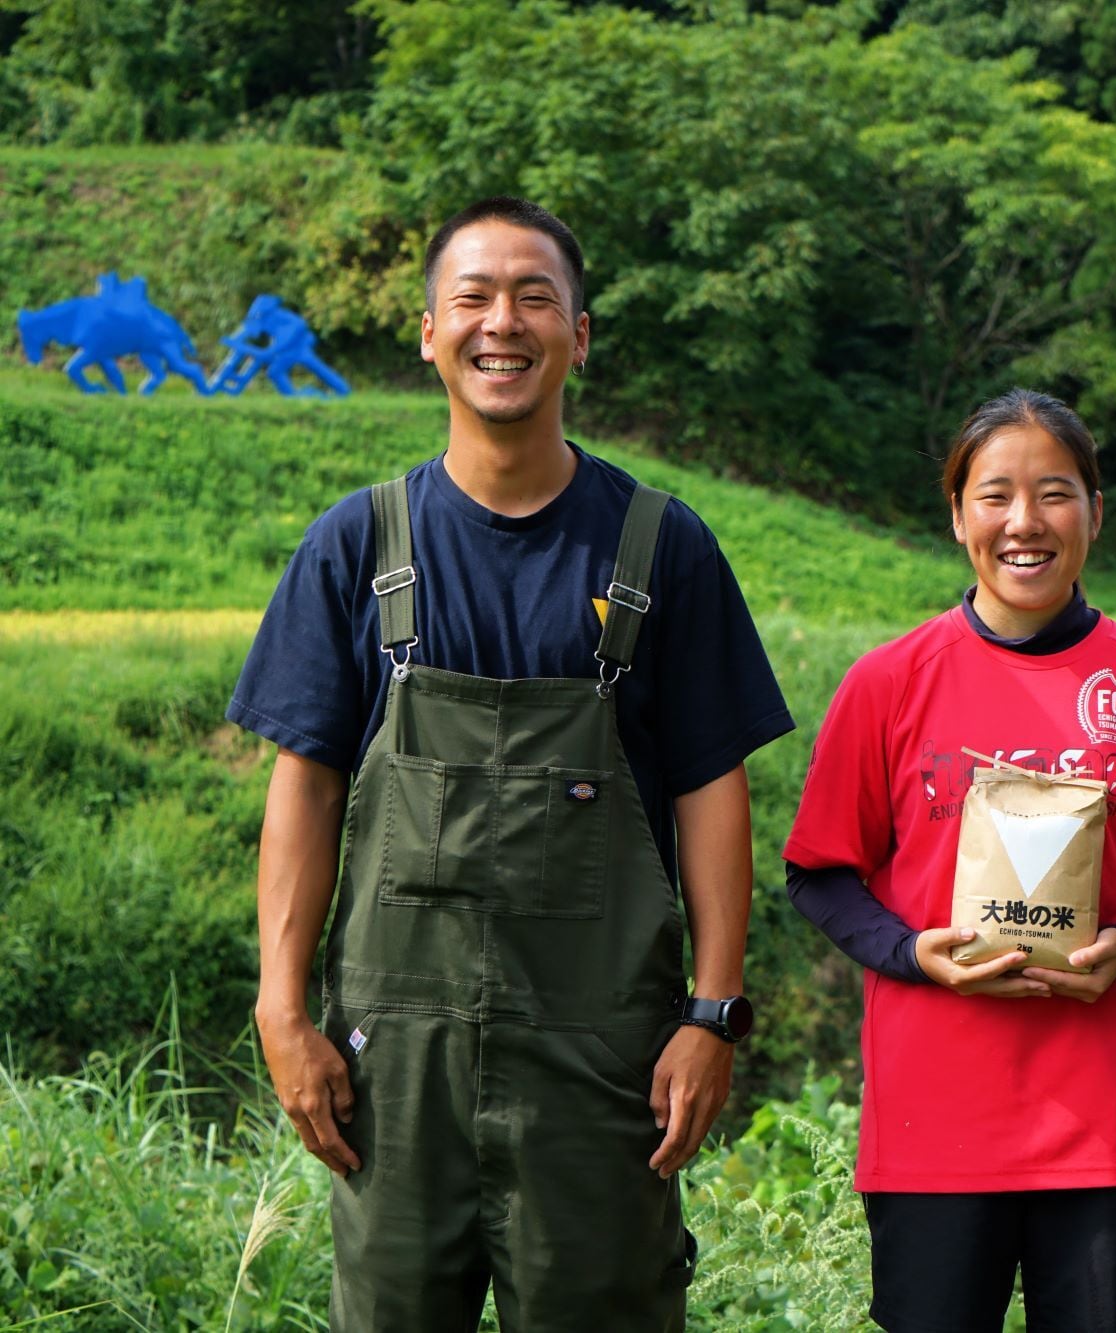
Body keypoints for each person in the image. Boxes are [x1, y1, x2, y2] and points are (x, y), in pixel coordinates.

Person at [227, 195, 794, 1330]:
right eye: (474, 297)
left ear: (578, 336)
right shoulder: (357, 543)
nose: (505, 322)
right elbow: (307, 786)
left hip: (600, 1075)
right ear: (430, 332)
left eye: (536, 297)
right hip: (390, 1076)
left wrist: (713, 1012)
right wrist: (281, 1011)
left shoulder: (659, 545)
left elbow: (710, 789)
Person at [784, 389, 1116, 1332]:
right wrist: (914, 954)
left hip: (1113, 1129)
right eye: (994, 495)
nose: (1024, 522)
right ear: (957, 516)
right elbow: (821, 872)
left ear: (1095, 513)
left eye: (1055, 493)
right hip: (933, 1127)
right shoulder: (889, 682)